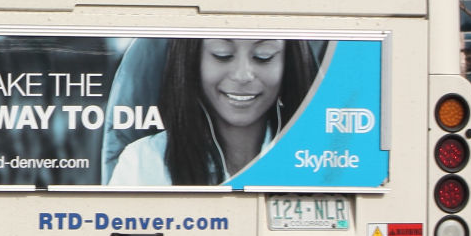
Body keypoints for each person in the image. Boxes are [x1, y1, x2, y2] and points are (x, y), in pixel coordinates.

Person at [108, 38, 319, 186]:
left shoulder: (321, 157)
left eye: (263, 57)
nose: (242, 76)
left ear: (288, 64)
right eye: (222, 55)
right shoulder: (144, 162)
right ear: (192, 62)